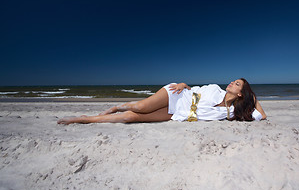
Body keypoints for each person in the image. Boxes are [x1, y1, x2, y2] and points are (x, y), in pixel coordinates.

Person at [57, 78, 266, 125]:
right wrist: (183, 84)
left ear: (241, 93)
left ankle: (85, 119)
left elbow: (261, 116)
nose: (231, 83)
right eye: (233, 81)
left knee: (132, 118)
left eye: (237, 84)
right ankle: (114, 106)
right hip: (176, 95)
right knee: (140, 106)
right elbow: (193, 89)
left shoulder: (231, 114)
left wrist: (253, 98)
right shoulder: (214, 89)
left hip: (178, 113)